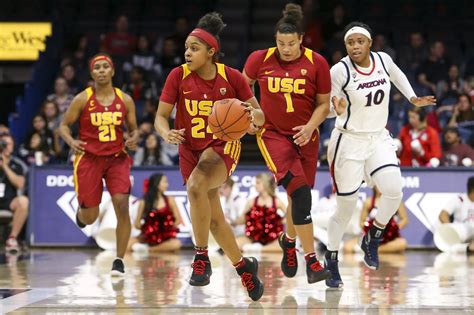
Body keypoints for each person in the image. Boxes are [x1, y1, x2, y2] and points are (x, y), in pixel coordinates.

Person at [154, 12, 265, 301]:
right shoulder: (177, 76)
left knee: (195, 186)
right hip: (189, 149)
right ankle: (244, 268)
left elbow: (260, 114)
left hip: (221, 147)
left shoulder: (232, 77)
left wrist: (252, 119)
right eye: (187, 48)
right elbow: (160, 118)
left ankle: (201, 258)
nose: (187, 53)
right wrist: (166, 133)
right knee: (215, 220)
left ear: (211, 52)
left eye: (194, 48)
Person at [326, 21, 435, 288]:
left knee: (394, 190)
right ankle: (331, 259)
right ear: (345, 46)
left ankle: (372, 237)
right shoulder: (339, 71)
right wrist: (335, 110)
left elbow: (397, 76)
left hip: (377, 138)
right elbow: (327, 108)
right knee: (346, 208)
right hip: (348, 141)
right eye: (350, 43)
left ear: (370, 43)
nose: (355, 47)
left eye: (360, 42)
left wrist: (411, 97)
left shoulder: (383, 61)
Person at [243, 3, 331, 283]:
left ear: (301, 40)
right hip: (273, 135)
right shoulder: (260, 59)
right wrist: (253, 113)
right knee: (301, 195)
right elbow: (242, 87)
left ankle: (288, 241)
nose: (286, 48)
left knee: (299, 199)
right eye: (281, 43)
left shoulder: (317, 63)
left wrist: (310, 126)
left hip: (308, 136)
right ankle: (312, 262)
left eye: (291, 43)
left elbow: (324, 104)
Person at [58, 53, 139, 276]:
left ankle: (119, 260)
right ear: (92, 73)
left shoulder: (125, 100)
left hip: (117, 159)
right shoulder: (82, 99)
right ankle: (82, 215)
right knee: (90, 217)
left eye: (106, 67)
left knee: (122, 205)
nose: (102, 71)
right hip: (89, 160)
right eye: (97, 68)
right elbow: (64, 126)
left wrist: (133, 138)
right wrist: (71, 141)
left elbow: (134, 129)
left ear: (112, 71)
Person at [344, 187, 408, 253]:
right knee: (347, 247)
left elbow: (404, 219)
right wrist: (369, 229)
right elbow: (361, 222)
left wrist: (393, 229)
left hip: (390, 238)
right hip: (371, 237)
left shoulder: (396, 201)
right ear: (374, 187)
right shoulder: (368, 202)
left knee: (402, 244)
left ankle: (376, 250)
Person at [128, 173, 182, 253]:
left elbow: (178, 220)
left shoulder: (170, 199)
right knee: (127, 243)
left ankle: (148, 249)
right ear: (156, 184)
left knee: (176, 244)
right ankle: (151, 247)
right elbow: (137, 223)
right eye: (164, 182)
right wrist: (148, 229)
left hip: (165, 237)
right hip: (148, 236)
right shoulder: (144, 202)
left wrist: (167, 228)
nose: (167, 185)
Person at [234, 173, 286, 252]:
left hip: (272, 240)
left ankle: (259, 249)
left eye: (258, 183)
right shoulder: (251, 202)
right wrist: (233, 222)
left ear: (265, 184)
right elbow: (242, 219)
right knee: (235, 244)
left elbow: (289, 216)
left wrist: (280, 221)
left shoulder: (276, 202)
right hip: (252, 238)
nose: (255, 185)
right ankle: (254, 248)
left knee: (283, 245)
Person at [0, 135, 29, 253]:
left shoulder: (17, 164)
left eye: (9, 144)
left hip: (8, 201)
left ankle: (12, 239)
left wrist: (4, 166)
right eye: (3, 143)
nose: (6, 147)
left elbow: (20, 184)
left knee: (23, 201)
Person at [438, 176, 474, 254]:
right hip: (460, 233)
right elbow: (443, 215)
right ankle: (465, 248)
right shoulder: (459, 200)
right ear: (472, 190)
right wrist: (450, 229)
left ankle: (465, 248)